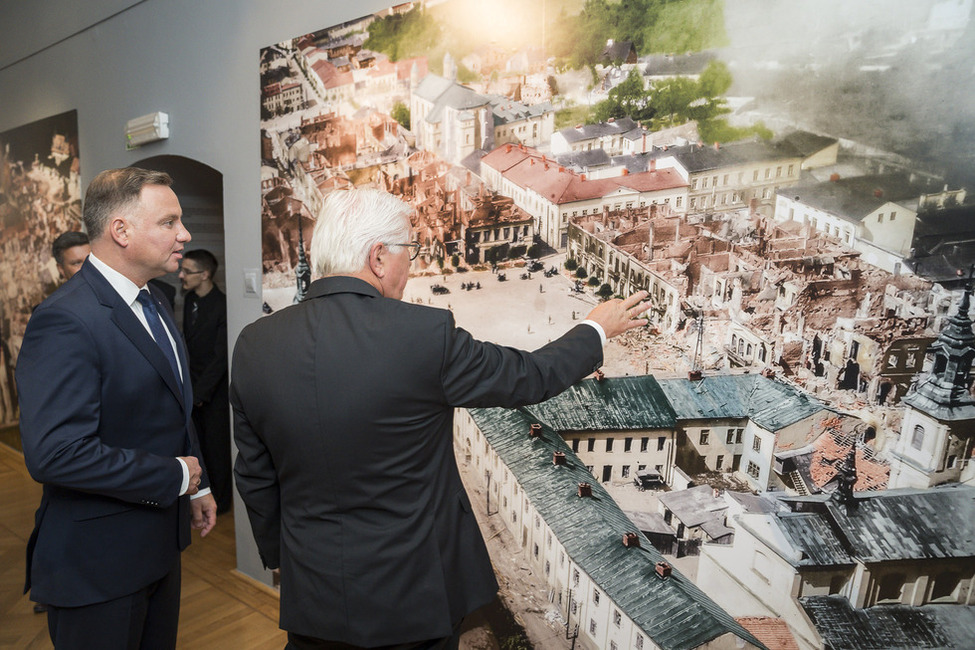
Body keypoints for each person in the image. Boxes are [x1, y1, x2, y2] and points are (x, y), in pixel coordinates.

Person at [231, 189, 649, 649]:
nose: (410, 268)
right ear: (378, 257)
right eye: (407, 252)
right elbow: (528, 377)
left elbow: (254, 476)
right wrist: (596, 329)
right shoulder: (423, 335)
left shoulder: (253, 346)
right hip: (415, 598)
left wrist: (280, 558)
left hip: (314, 597)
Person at [16, 167, 218, 650]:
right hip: (96, 565)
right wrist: (173, 477)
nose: (184, 234)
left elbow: (171, 404)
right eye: (169, 222)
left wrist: (197, 486)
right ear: (121, 231)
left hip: (157, 549)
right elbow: (56, 454)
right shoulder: (65, 319)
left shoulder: (156, 299)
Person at [179, 248, 232, 514]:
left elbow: (221, 358)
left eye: (187, 271)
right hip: (192, 388)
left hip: (213, 392)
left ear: (205, 275)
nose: (181, 275)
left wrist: (201, 393)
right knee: (195, 446)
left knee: (216, 449)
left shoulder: (223, 305)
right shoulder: (189, 300)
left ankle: (221, 502)